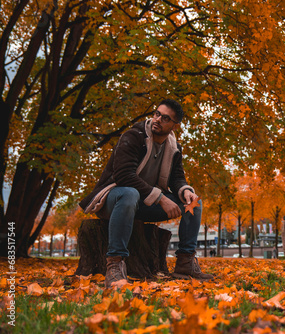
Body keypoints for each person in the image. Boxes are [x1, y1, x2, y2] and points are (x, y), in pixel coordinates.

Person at [79, 99, 213, 288]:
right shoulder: (133, 136)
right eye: (157, 113)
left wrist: (186, 191)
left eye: (165, 118)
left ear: (175, 126)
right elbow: (123, 175)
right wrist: (160, 198)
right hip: (114, 199)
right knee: (129, 194)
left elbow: (177, 179)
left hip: (143, 204)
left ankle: (185, 262)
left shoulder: (174, 148)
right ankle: (115, 264)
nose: (158, 119)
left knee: (194, 203)